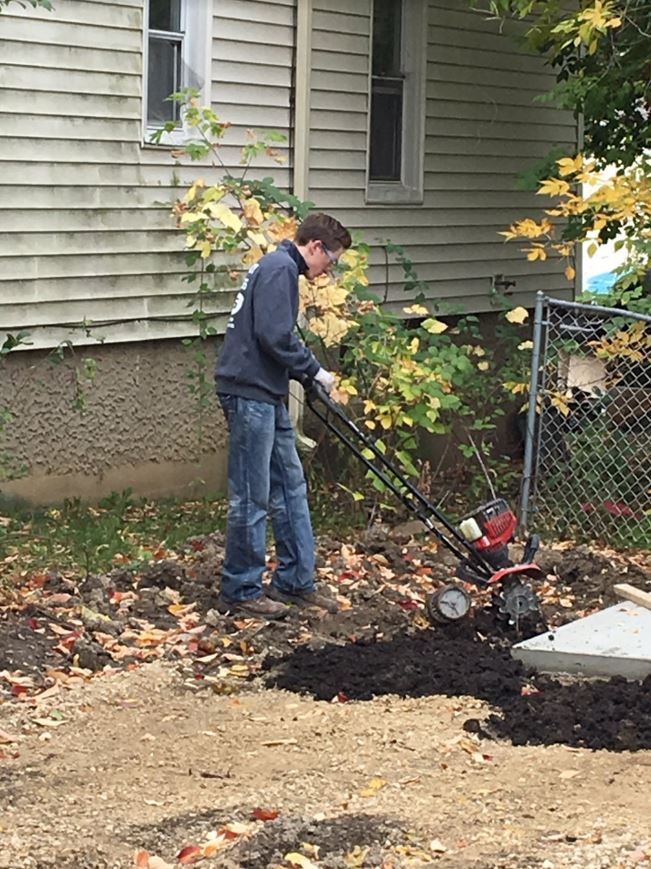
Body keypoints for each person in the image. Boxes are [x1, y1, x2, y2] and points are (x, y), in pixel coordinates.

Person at [215, 212, 352, 619]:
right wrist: (315, 371)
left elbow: (272, 337)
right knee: (252, 495)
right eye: (333, 259)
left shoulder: (278, 268)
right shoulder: (278, 269)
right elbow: (274, 336)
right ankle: (240, 589)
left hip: (265, 392)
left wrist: (302, 376)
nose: (331, 268)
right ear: (314, 247)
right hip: (248, 392)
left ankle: (294, 580)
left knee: (290, 485)